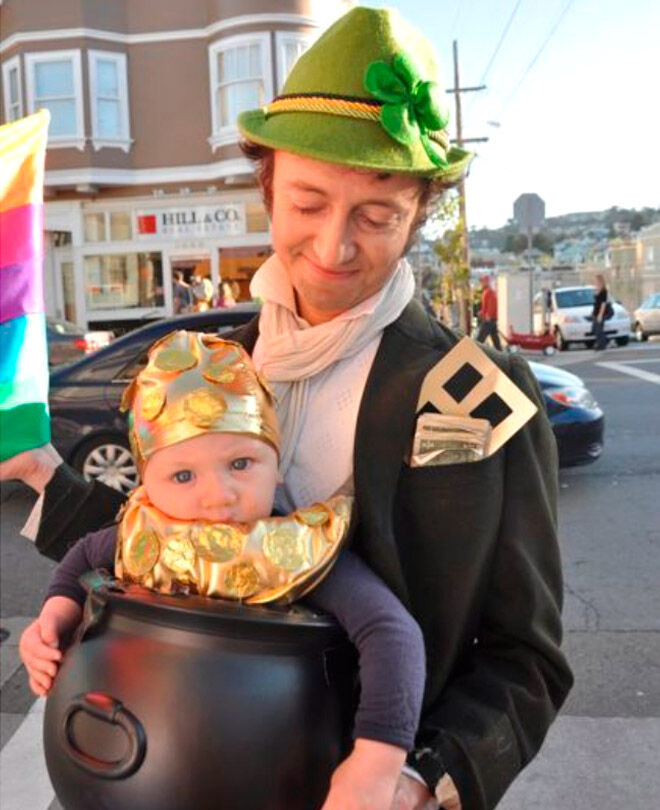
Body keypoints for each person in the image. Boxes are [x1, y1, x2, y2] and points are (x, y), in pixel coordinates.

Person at [2, 8, 572, 810]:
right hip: (147, 769)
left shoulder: (481, 398)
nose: (334, 247)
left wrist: (416, 783)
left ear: (417, 219)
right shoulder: (213, 365)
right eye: (307, 202)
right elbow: (160, 531)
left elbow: (527, 660)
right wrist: (50, 519)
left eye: (377, 216)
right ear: (267, 183)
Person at [19, 330, 426, 810]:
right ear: (145, 483)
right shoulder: (141, 533)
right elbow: (81, 560)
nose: (218, 496)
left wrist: (375, 763)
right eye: (183, 476)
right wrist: (51, 621)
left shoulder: (296, 552)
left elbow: (391, 632)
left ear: (277, 466)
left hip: (265, 768)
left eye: (241, 463)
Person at [476, 275, 502, 350]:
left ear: (487, 282)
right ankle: (500, 352)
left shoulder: (489, 292)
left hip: (489, 319)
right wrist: (482, 312)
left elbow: (492, 304)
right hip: (490, 318)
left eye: (482, 281)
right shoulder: (487, 291)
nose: (481, 283)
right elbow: (486, 306)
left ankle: (474, 353)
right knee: (495, 339)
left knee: (480, 338)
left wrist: (488, 316)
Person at [592, 273, 609, 350]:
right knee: (594, 329)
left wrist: (600, 315)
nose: (595, 282)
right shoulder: (597, 290)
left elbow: (603, 304)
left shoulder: (604, 291)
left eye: (596, 280)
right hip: (595, 312)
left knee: (599, 329)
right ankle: (601, 342)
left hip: (600, 313)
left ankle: (602, 344)